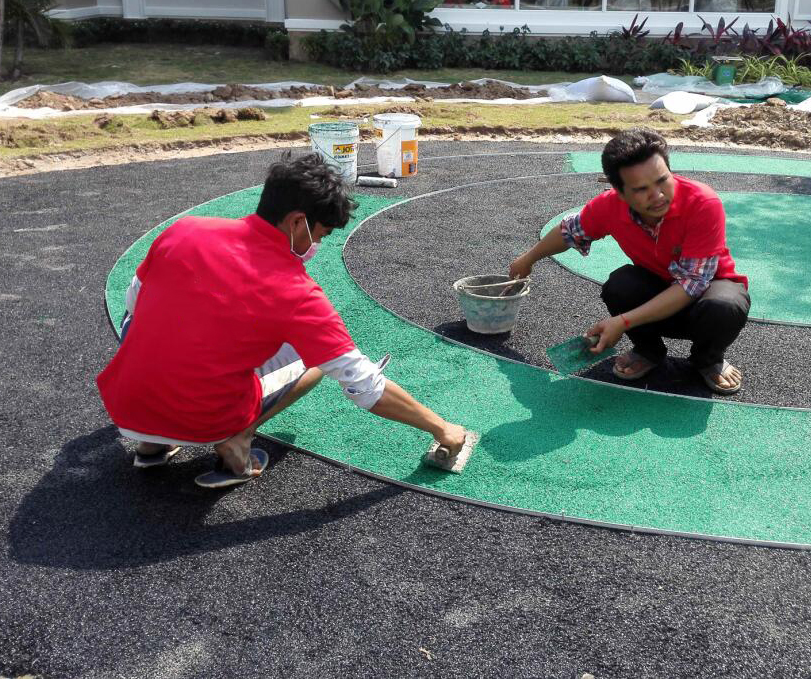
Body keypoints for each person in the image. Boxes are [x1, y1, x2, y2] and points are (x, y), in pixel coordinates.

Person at [97, 153, 467, 487]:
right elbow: (365, 386)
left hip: (125, 406)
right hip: (203, 420)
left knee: (149, 320)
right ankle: (236, 438)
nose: (316, 245)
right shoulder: (298, 294)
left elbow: (134, 304)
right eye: (320, 234)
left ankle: (151, 445)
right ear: (297, 222)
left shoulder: (184, 231)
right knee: (317, 358)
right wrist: (442, 428)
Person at [509, 130, 750, 395]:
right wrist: (528, 259)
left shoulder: (703, 203)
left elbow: (691, 284)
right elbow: (570, 231)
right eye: (641, 189)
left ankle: (708, 360)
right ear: (620, 193)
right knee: (620, 285)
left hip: (708, 293)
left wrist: (622, 322)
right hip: (659, 288)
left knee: (725, 305)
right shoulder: (609, 206)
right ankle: (648, 351)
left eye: (662, 181)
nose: (657, 195)